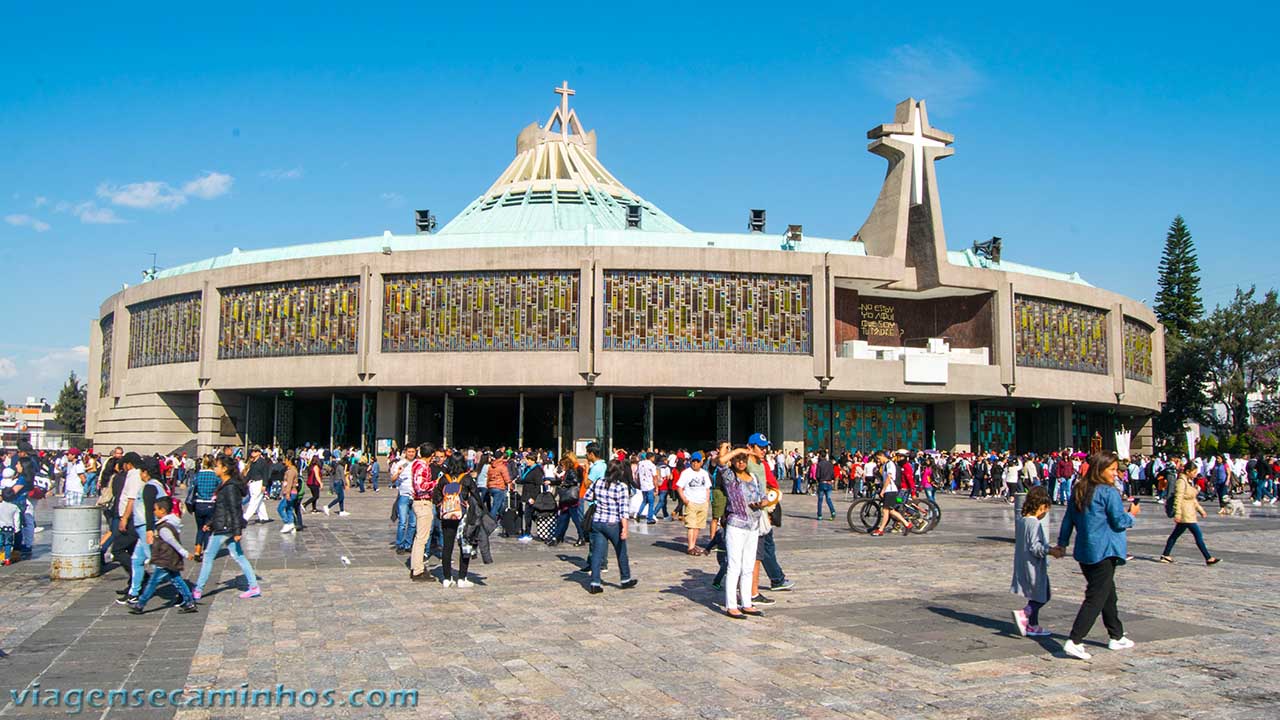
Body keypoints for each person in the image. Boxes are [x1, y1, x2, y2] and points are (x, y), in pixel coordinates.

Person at [1051, 450, 1137, 661]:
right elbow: (1118, 521)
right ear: (1101, 469)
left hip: (1085, 551)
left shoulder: (1079, 489)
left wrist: (1062, 544)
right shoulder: (1108, 493)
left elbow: (1068, 520)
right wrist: (1131, 515)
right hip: (1105, 550)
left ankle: (1116, 635)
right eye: (1112, 469)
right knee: (1096, 597)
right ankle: (1075, 640)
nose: (1116, 474)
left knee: (1108, 594)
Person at [192, 455, 261, 601]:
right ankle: (254, 586)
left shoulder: (230, 487)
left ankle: (198, 589)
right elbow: (220, 509)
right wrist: (209, 524)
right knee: (239, 556)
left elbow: (235, 509)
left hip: (225, 527)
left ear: (224, 469)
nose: (215, 468)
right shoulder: (225, 485)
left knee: (209, 556)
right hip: (225, 525)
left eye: (217, 466)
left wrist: (237, 531)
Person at [128, 497, 197, 614]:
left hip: (165, 559)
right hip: (169, 558)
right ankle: (189, 601)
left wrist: (185, 553)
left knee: (153, 582)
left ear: (163, 510)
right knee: (177, 580)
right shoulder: (168, 524)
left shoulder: (164, 528)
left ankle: (140, 604)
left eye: (155, 509)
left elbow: (173, 543)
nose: (154, 512)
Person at [720, 448, 764, 619]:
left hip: (753, 524)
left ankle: (746, 602)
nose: (741, 462)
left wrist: (762, 502)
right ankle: (731, 605)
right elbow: (721, 461)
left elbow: (763, 495)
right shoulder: (731, 478)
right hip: (736, 525)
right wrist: (738, 450)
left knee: (748, 565)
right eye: (738, 459)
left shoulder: (753, 477)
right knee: (734, 565)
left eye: (743, 459)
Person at [583, 459, 637, 594]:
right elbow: (623, 510)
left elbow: (587, 496)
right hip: (613, 523)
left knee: (597, 553)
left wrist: (600, 501)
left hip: (598, 522)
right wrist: (625, 529)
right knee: (621, 551)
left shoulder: (599, 482)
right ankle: (625, 579)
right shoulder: (621, 487)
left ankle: (595, 582)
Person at [432, 452, 484, 587]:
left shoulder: (444, 478)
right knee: (464, 546)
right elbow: (477, 495)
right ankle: (462, 578)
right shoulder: (466, 479)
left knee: (447, 547)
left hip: (447, 516)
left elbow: (436, 496)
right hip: (462, 516)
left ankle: (446, 578)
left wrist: (441, 507)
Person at [1011, 486, 1053, 638]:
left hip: (1024, 563)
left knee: (1035, 595)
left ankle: (1032, 625)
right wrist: (1050, 550)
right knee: (1044, 595)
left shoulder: (1022, 520)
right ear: (1041, 506)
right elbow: (1035, 547)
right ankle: (1025, 613)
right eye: (1046, 509)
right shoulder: (1034, 523)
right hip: (1034, 566)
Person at [1159, 465, 1220, 566]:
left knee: (1175, 535)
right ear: (1188, 472)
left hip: (1189, 512)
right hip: (1185, 514)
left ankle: (1165, 555)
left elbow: (1192, 499)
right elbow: (1178, 498)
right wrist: (1178, 513)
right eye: (1194, 472)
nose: (1195, 475)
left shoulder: (1188, 482)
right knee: (1198, 535)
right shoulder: (1181, 482)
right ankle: (1208, 558)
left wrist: (1201, 510)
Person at [407, 444, 437, 582]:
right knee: (422, 538)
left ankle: (417, 565)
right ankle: (417, 570)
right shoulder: (423, 466)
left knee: (420, 537)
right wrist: (435, 483)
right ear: (430, 455)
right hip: (423, 502)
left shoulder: (416, 464)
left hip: (420, 502)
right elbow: (421, 486)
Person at [676, 451, 712, 555]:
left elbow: (707, 488)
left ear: (701, 462)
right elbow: (679, 487)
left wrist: (707, 500)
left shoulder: (704, 473)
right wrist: (685, 500)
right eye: (693, 461)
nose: (695, 463)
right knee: (691, 525)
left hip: (702, 503)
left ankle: (694, 544)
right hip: (691, 502)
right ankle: (690, 547)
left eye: (697, 461)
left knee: (698, 526)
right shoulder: (686, 473)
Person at [870, 451, 911, 536]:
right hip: (888, 490)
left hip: (891, 490)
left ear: (882, 456)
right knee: (891, 510)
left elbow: (889, 478)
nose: (878, 461)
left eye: (878, 458)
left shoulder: (890, 464)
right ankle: (907, 524)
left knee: (885, 510)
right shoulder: (884, 465)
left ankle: (881, 529)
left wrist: (883, 490)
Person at [190, 455, 221, 559]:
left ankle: (197, 551)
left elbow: (193, 487)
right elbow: (220, 486)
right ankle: (207, 551)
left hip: (199, 504)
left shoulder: (198, 475)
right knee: (208, 529)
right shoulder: (215, 475)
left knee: (199, 529)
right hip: (210, 504)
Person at [242, 447, 271, 524]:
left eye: (255, 451)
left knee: (254, 501)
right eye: (252, 451)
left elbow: (265, 474)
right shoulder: (253, 462)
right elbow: (249, 474)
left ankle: (245, 517)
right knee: (259, 502)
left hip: (259, 482)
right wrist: (244, 482)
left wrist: (264, 485)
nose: (253, 453)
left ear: (259, 453)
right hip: (253, 483)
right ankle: (264, 517)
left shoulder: (263, 462)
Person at [278, 455, 299, 534]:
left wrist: (287, 493)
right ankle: (292, 524)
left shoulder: (291, 471)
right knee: (289, 509)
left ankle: (287, 523)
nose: (284, 462)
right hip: (291, 492)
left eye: (286, 460)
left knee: (280, 508)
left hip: (291, 492)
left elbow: (289, 483)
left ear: (289, 461)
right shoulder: (290, 470)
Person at [0, 487, 21, 565]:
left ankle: (0, 558)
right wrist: (17, 529)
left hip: (0, 528)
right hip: (10, 529)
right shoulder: (14, 507)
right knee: (8, 544)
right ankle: (7, 559)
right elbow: (17, 520)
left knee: (0, 543)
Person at [814, 451, 835, 520]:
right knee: (828, 499)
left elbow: (817, 475)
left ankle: (819, 515)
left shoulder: (819, 464)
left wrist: (818, 480)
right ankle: (833, 512)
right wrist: (831, 479)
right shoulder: (830, 464)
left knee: (820, 500)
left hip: (822, 482)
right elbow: (832, 474)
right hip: (829, 483)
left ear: (820, 456)